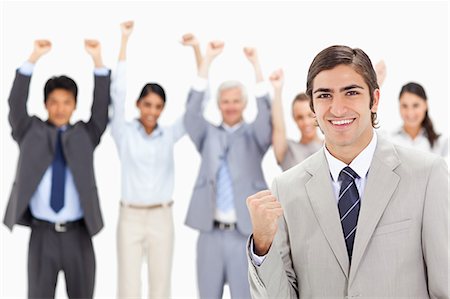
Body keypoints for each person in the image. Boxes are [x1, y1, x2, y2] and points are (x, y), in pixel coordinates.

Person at [246, 45, 448, 298]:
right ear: (312, 106)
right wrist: (263, 245)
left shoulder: (427, 175)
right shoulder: (286, 189)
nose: (337, 108)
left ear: (374, 99)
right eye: (324, 95)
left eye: (350, 92)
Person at [3, 39, 110, 298]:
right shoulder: (29, 131)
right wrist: (33, 58)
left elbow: (100, 109)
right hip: (42, 235)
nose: (60, 108)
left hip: (79, 234)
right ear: (45, 104)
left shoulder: (86, 134)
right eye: (54, 101)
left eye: (66, 102)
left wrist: (97, 61)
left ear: (75, 104)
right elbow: (16, 104)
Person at [184, 40, 272, 298]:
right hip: (209, 233)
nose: (230, 106)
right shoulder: (207, 134)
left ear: (244, 104)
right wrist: (207, 61)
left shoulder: (254, 136)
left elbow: (266, 117)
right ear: (219, 104)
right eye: (225, 101)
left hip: (244, 234)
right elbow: (191, 114)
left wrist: (256, 65)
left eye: (235, 101)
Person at [110, 22, 191, 298]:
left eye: (157, 106)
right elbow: (116, 94)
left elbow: (194, 111)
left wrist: (200, 56)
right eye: (147, 104)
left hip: (161, 216)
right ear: (138, 104)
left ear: (162, 109)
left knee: (161, 287)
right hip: (129, 216)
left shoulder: (169, 135)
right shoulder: (123, 133)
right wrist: (124, 40)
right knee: (128, 288)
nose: (152, 111)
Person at [270, 69, 322, 171]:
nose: (306, 122)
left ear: (317, 114)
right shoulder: (288, 151)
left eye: (309, 115)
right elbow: (278, 128)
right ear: (294, 119)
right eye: (300, 117)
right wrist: (277, 90)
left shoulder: (330, 147)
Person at [390, 82, 448, 159]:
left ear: (425, 105)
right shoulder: (389, 141)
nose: (410, 112)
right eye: (404, 106)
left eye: (416, 105)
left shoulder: (441, 143)